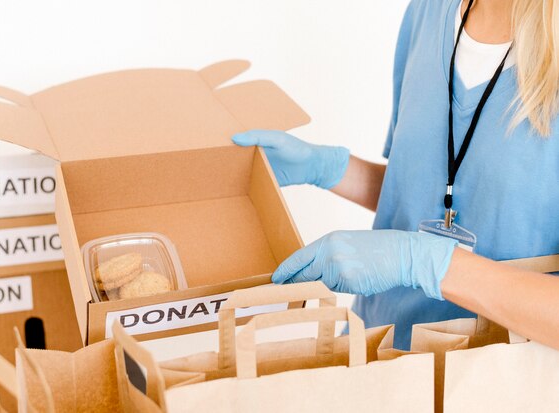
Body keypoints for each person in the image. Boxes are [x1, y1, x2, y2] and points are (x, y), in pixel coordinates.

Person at [233, 0, 559, 350]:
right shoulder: (428, 11)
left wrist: (423, 261)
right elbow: (422, 194)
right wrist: (329, 169)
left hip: (492, 383)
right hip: (375, 350)